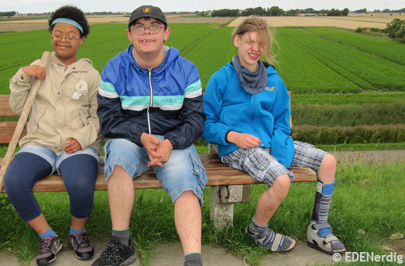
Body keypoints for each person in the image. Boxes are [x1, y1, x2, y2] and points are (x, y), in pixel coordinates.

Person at [202, 16, 346, 255]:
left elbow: (282, 121)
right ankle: (258, 231)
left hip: (270, 143)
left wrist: (281, 148)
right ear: (236, 40)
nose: (255, 49)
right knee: (281, 180)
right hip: (237, 148)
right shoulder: (221, 78)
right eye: (250, 42)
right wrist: (233, 136)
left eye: (261, 44)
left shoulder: (274, 80)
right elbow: (206, 125)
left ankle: (318, 227)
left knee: (328, 161)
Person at [94, 5, 206, 266]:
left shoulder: (186, 69)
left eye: (154, 27)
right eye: (139, 28)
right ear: (129, 34)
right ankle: (121, 245)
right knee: (119, 159)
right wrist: (142, 137)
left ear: (166, 33)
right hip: (131, 140)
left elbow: (195, 119)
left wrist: (169, 143)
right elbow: (109, 120)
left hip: (173, 141)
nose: (147, 33)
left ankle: (193, 259)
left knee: (185, 183)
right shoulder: (114, 69)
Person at [4, 5, 102, 266]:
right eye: (57, 34)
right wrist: (23, 76)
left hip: (77, 144)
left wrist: (82, 139)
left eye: (71, 35)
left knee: (81, 184)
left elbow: (98, 116)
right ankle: (47, 236)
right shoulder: (39, 68)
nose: (63, 40)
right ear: (51, 35)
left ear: (81, 39)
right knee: (14, 180)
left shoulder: (91, 75)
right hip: (40, 142)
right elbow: (17, 108)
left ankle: (78, 231)